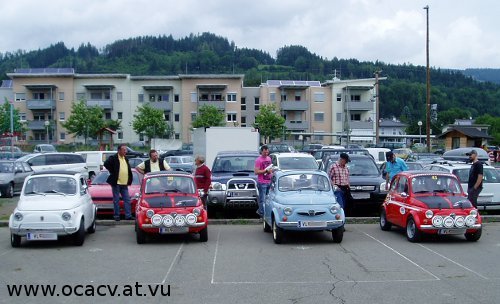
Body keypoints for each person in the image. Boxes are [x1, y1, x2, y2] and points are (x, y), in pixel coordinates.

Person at [104, 144, 133, 221]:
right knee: (116, 200)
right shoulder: (113, 158)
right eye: (124, 150)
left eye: (126, 150)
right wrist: (113, 172)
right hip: (116, 183)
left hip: (124, 183)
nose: (125, 151)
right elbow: (106, 164)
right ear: (119, 150)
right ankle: (117, 216)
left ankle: (128, 216)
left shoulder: (125, 158)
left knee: (127, 200)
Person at [254, 145, 272, 218]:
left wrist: (271, 171)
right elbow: (256, 172)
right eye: (265, 152)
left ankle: (263, 212)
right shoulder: (258, 160)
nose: (266, 153)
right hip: (262, 182)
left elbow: (270, 168)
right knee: (262, 199)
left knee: (268, 199)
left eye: (267, 152)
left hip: (269, 181)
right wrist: (265, 171)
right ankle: (262, 214)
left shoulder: (269, 158)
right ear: (262, 151)